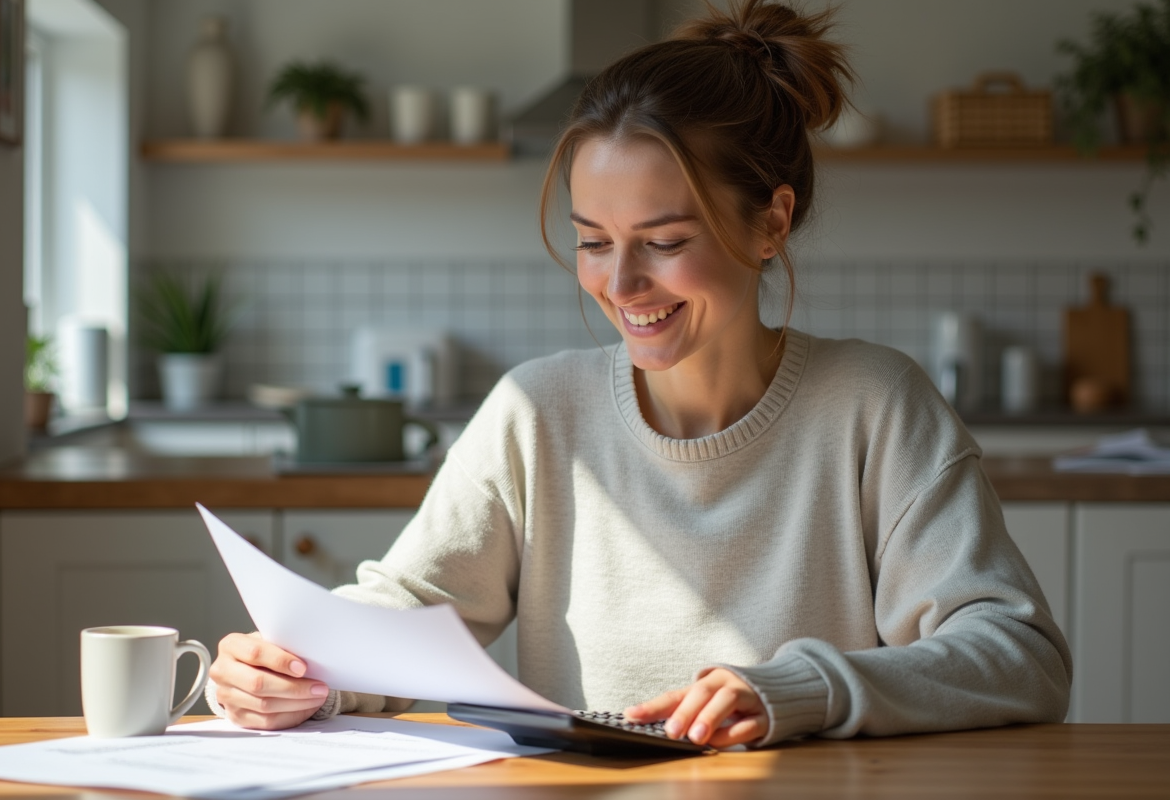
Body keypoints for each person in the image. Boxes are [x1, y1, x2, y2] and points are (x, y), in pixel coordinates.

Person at [207, 0, 1071, 748]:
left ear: (771, 224)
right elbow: (409, 610)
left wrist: (800, 691)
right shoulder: (538, 412)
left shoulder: (876, 406)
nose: (619, 286)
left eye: (664, 242)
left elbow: (1021, 656)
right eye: (592, 241)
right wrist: (297, 670)